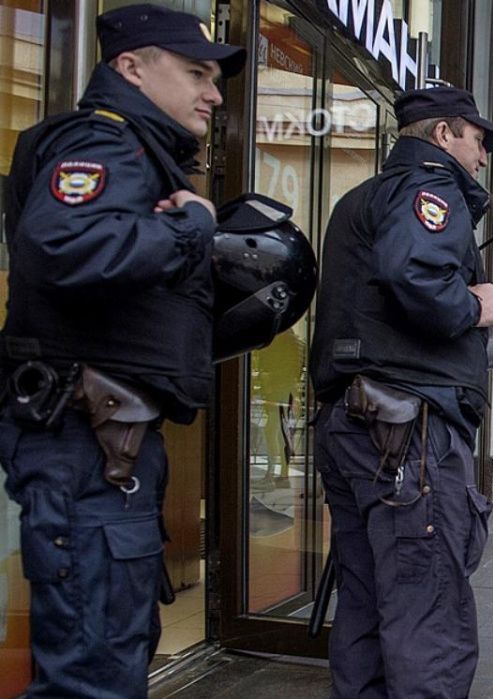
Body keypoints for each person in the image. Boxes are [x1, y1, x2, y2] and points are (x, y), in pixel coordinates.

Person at [0, 6, 244, 696]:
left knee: (108, 657)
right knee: (92, 674)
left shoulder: (138, 149)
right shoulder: (107, 143)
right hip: (85, 442)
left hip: (105, 444)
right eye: (196, 72)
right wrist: (192, 230)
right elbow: (62, 247)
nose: (214, 92)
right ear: (130, 68)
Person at [309, 86, 493, 698]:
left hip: (357, 423)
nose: (481, 157)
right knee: (427, 616)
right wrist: (476, 307)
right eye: (477, 140)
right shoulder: (430, 188)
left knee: (366, 610)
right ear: (445, 134)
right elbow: (414, 276)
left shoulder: (360, 199)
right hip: (406, 434)